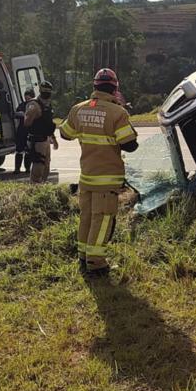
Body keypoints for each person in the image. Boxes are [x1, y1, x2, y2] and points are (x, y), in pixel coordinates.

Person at [59, 68, 138, 276]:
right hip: (107, 179)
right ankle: (97, 263)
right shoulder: (117, 112)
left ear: (94, 87)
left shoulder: (78, 109)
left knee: (86, 217)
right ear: (115, 89)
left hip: (86, 177)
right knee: (102, 220)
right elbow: (130, 144)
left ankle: (84, 258)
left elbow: (65, 134)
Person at [24, 81, 58, 183]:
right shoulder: (34, 104)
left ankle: (42, 186)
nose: (47, 93)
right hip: (37, 139)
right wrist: (33, 115)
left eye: (48, 91)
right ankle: (34, 186)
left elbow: (48, 122)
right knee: (38, 164)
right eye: (45, 91)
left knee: (46, 164)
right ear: (40, 91)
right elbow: (27, 123)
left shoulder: (48, 104)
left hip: (46, 138)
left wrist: (54, 139)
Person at [14, 88, 35, 174]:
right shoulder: (22, 105)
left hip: (30, 130)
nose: (26, 99)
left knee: (28, 151)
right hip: (22, 130)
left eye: (28, 98)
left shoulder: (35, 106)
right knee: (19, 150)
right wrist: (21, 114)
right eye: (25, 98)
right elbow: (16, 114)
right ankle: (17, 169)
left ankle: (27, 169)